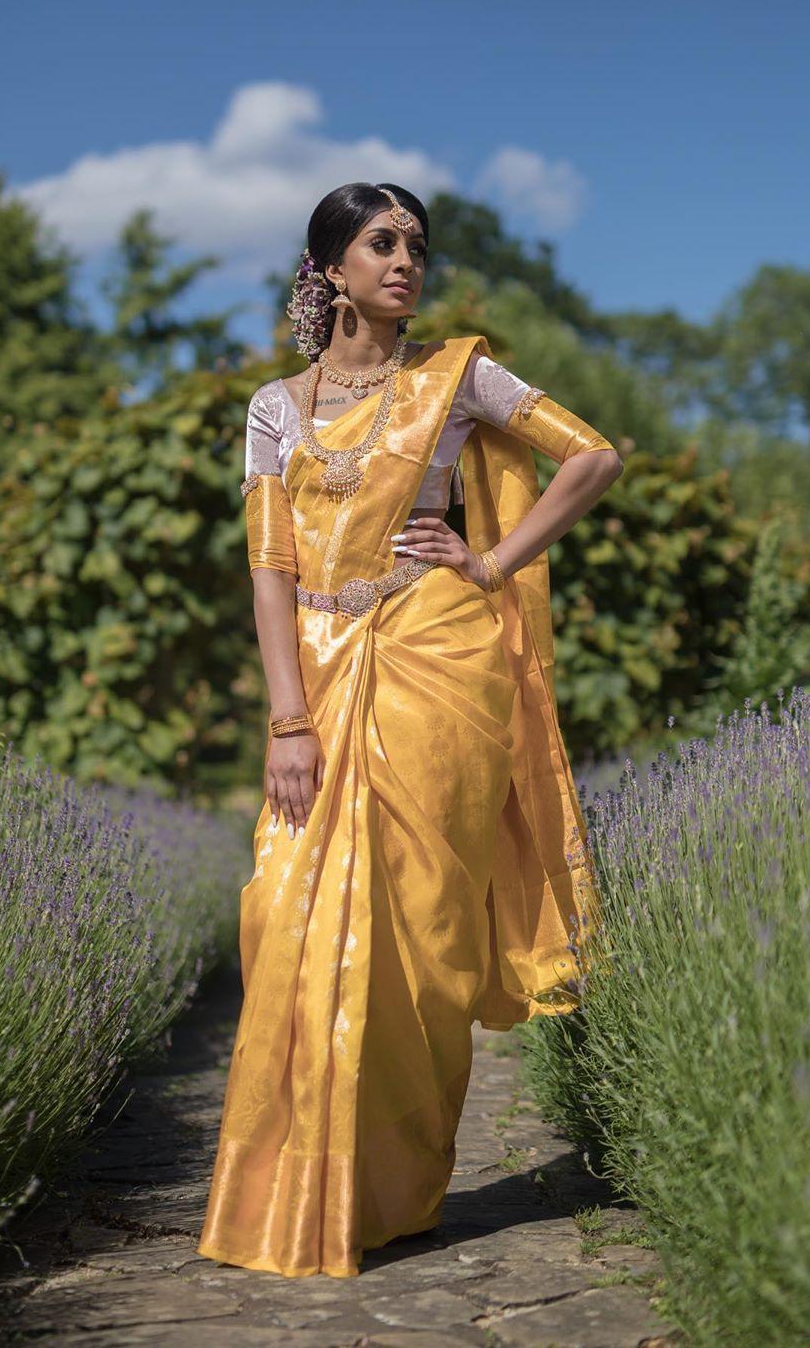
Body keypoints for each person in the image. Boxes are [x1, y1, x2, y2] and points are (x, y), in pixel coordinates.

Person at [197, 182, 626, 1279]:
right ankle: (290, 1194)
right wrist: (288, 719)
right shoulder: (275, 410)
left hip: (436, 665)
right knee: (287, 911)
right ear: (327, 269)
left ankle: (392, 1193)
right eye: (381, 245)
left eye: (417, 248)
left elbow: (591, 458)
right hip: (322, 682)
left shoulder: (457, 377)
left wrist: (489, 562)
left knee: (425, 936)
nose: (406, 264)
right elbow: (271, 574)